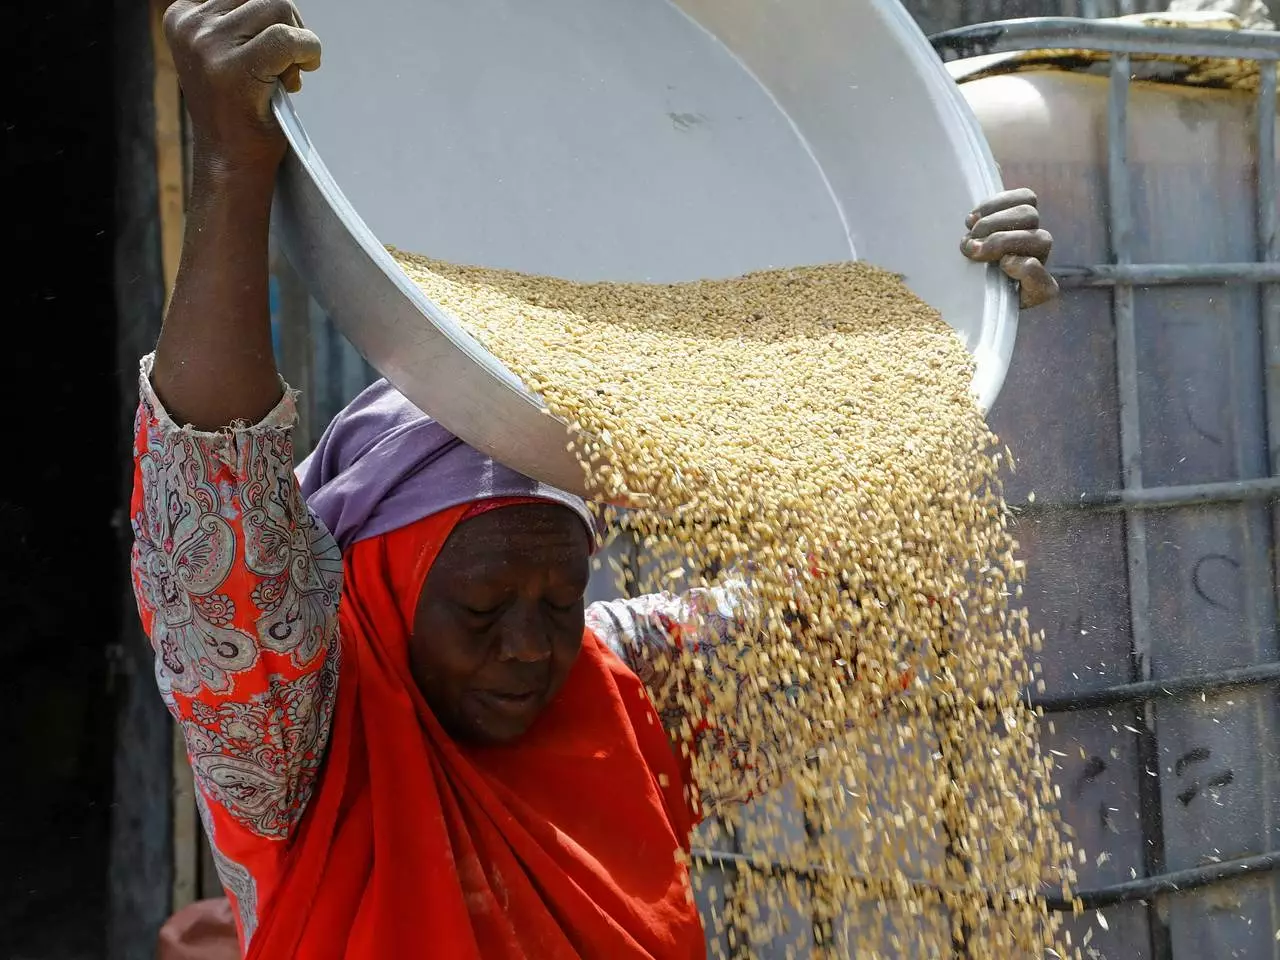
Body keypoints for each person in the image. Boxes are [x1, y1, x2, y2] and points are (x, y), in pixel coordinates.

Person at [141, 2, 1059, 958]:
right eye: (484, 606)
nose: (530, 649)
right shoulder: (298, 729)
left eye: (561, 598)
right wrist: (231, 165)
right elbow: (214, 481)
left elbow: (882, 601)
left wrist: (957, 329)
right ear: (383, 581)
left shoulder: (620, 687)